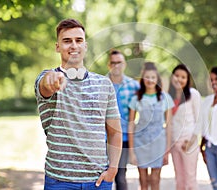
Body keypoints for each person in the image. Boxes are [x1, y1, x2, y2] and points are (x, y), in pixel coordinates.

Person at [34, 18, 122, 190]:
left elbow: (115, 132)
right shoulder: (48, 78)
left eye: (78, 40)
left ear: (85, 45)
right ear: (57, 46)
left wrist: (113, 169)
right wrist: (52, 79)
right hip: (59, 181)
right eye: (67, 41)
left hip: (99, 181)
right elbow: (45, 85)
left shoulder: (104, 84)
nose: (74, 45)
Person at [128, 62, 174, 190]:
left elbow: (169, 125)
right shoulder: (136, 99)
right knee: (143, 180)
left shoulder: (165, 98)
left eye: (153, 77)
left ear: (157, 79)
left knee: (155, 179)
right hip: (140, 143)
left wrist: (167, 151)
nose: (150, 80)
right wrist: (132, 152)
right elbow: (131, 125)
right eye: (147, 77)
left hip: (158, 144)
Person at [107, 49, 139, 190]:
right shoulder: (101, 83)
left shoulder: (134, 86)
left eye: (119, 62)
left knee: (120, 176)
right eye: (113, 63)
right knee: (103, 175)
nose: (116, 65)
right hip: (103, 138)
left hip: (124, 137)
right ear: (109, 65)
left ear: (124, 64)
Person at [168, 64, 201, 190]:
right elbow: (169, 122)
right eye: (177, 76)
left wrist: (191, 141)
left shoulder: (193, 94)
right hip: (174, 144)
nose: (179, 79)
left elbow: (200, 120)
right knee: (179, 179)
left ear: (188, 80)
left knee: (190, 179)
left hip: (188, 142)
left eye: (183, 77)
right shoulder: (169, 96)